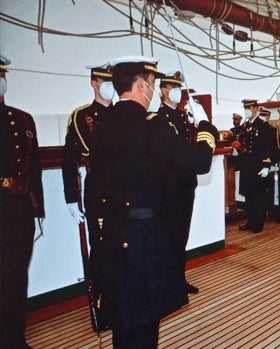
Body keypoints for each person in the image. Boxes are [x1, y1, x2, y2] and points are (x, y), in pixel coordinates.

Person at [86, 56, 217, 348]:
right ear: (142, 85)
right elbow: (198, 162)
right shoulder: (151, 126)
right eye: (153, 83)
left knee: (123, 316)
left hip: (114, 232)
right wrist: (207, 129)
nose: (153, 89)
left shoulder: (102, 126)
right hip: (144, 234)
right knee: (144, 319)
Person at [0, 54, 45, 349]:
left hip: (18, 209)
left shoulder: (22, 118)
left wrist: (38, 209)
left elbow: (34, 166)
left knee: (16, 276)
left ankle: (15, 338)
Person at [61, 63, 114, 249]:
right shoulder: (82, 117)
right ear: (94, 83)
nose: (110, 85)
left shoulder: (124, 114)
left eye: (112, 81)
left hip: (126, 191)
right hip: (99, 190)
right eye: (105, 81)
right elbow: (69, 160)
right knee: (102, 248)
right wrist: (71, 198)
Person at [157, 70, 199, 294]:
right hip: (169, 188)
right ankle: (168, 282)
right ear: (163, 90)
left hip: (186, 185)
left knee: (182, 234)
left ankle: (179, 279)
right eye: (172, 88)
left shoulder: (183, 117)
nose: (176, 92)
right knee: (169, 236)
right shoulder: (159, 119)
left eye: (178, 88)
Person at [234, 99, 278, 233]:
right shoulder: (245, 126)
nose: (246, 110)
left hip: (259, 166)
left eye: (249, 107)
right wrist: (237, 149)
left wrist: (267, 165)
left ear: (255, 109)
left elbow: (270, 147)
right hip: (246, 165)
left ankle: (258, 224)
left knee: (258, 196)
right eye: (245, 107)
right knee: (248, 195)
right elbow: (242, 143)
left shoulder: (264, 126)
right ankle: (251, 221)